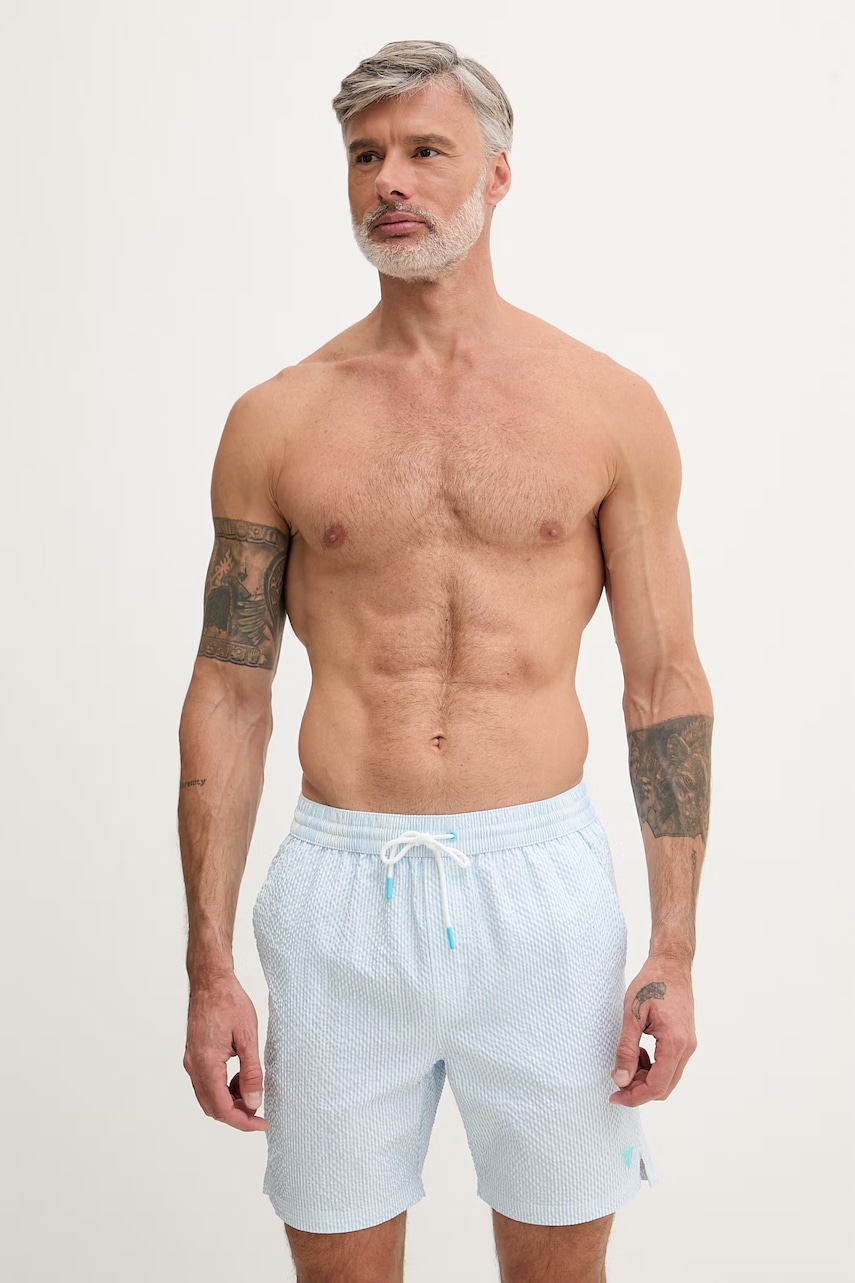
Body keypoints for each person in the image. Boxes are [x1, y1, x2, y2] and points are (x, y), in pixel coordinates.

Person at [178, 39, 713, 1283]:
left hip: (545, 892)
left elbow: (664, 685)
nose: (390, 181)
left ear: (498, 174)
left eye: (426, 150)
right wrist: (209, 968)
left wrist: (675, 946)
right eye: (365, 155)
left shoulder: (605, 405)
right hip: (338, 892)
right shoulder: (279, 418)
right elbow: (230, 693)